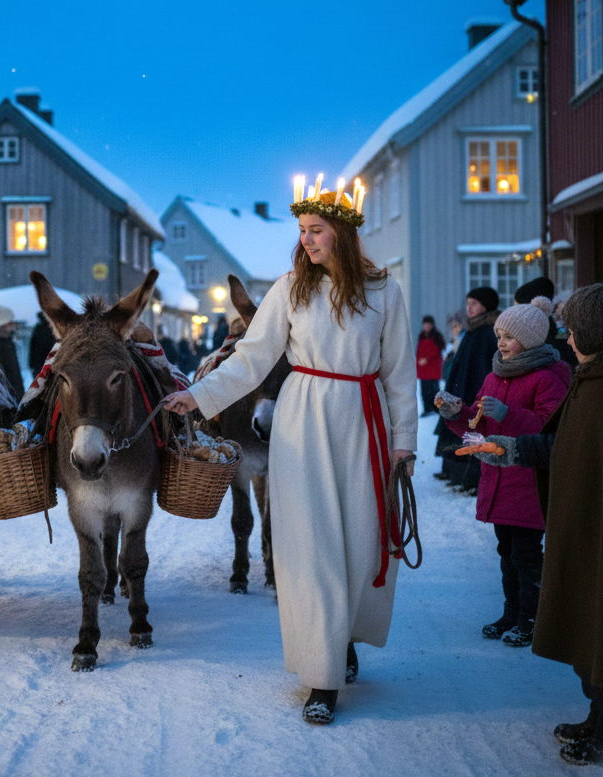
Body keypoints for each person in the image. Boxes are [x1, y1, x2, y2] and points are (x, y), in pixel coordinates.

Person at [163, 185, 417, 726]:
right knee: (312, 544)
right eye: (301, 232)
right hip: (304, 421)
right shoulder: (289, 289)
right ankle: (322, 675)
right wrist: (198, 396)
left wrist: (404, 442)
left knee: (360, 539)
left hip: (364, 421)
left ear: (341, 233)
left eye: (315, 231)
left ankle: (343, 637)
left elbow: (399, 373)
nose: (306, 241)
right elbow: (250, 360)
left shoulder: (384, 291)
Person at [473, 283, 603, 767]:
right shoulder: (597, 379)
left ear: (593, 333)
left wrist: (514, 448)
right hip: (594, 529)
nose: (569, 339)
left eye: (573, 330)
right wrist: (509, 449)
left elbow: (590, 458)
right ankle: (602, 716)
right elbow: (566, 445)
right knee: (596, 621)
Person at [435, 296, 569, 647]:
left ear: (531, 339)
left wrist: (508, 413)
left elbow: (551, 429)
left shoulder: (548, 378)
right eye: (499, 336)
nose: (501, 343)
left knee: (526, 556)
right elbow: (476, 426)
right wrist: (456, 413)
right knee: (506, 553)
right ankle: (512, 613)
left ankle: (532, 619)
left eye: (509, 337)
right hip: (498, 481)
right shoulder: (495, 376)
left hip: (529, 483)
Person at [433, 287, 500, 494]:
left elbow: (484, 367)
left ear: (486, 306)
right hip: (462, 390)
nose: (469, 307)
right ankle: (457, 474)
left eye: (474, 303)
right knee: (458, 433)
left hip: (476, 394)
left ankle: (473, 480)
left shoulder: (488, 332)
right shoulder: (472, 330)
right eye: (468, 303)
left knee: (475, 435)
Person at [514, 276, 577, 372]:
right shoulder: (554, 325)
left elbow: (564, 352)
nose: (515, 311)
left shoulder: (545, 329)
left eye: (519, 306)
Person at [416, 315, 445, 416]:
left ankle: (438, 409)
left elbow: (436, 350)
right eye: (425, 324)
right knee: (424, 391)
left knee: (434, 391)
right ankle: (427, 409)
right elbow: (419, 351)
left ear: (432, 325)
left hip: (433, 369)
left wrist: (426, 358)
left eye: (429, 324)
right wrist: (419, 360)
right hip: (423, 370)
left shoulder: (436, 336)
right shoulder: (421, 336)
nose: (427, 326)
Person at [28, 311, 56, 378]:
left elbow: (32, 348)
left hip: (39, 364)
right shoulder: (53, 329)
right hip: (49, 363)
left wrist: (32, 365)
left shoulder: (38, 328)